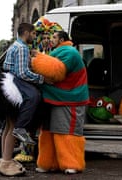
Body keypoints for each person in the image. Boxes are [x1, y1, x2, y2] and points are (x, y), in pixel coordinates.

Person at [0, 23, 50, 176]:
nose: (34, 36)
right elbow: (23, 73)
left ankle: (4, 159)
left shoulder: (15, 46)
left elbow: (7, 65)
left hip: (7, 82)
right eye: (33, 33)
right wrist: (41, 78)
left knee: (8, 126)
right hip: (15, 83)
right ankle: (8, 157)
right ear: (26, 32)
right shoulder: (22, 48)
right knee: (34, 96)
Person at [35, 31, 89, 174]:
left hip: (70, 100)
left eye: (54, 37)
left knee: (66, 132)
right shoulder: (57, 51)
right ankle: (49, 163)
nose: (51, 39)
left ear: (62, 39)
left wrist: (35, 59)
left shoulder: (70, 52)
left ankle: (72, 163)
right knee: (48, 132)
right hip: (54, 98)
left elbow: (57, 71)